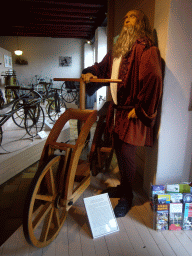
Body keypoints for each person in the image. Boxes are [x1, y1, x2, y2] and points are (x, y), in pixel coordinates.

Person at [81, 9, 163, 218]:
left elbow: (154, 76)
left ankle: (127, 196)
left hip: (131, 112)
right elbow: (102, 67)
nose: (126, 20)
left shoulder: (145, 48)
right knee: (118, 149)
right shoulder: (117, 50)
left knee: (126, 155)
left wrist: (142, 107)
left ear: (141, 23)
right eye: (125, 17)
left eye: (132, 17)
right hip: (117, 110)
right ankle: (123, 187)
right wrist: (91, 72)